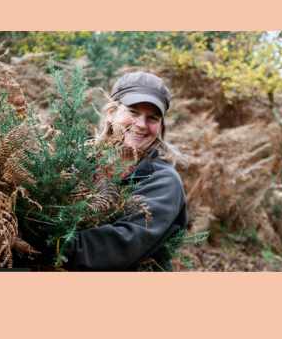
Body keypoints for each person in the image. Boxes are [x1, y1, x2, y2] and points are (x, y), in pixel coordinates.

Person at [62, 71, 188, 271]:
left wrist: (56, 247)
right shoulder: (77, 157)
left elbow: (122, 243)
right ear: (111, 113)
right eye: (133, 112)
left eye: (152, 118)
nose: (141, 124)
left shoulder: (163, 180)